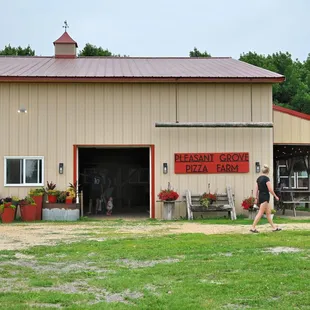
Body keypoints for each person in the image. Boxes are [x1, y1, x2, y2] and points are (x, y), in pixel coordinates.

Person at [250, 164, 282, 233]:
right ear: (268, 171)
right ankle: (253, 227)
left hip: (261, 195)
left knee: (268, 213)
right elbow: (270, 189)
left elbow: (256, 189)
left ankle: (273, 227)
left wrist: (256, 198)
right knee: (260, 213)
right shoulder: (266, 179)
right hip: (265, 196)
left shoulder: (258, 179)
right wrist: (275, 196)